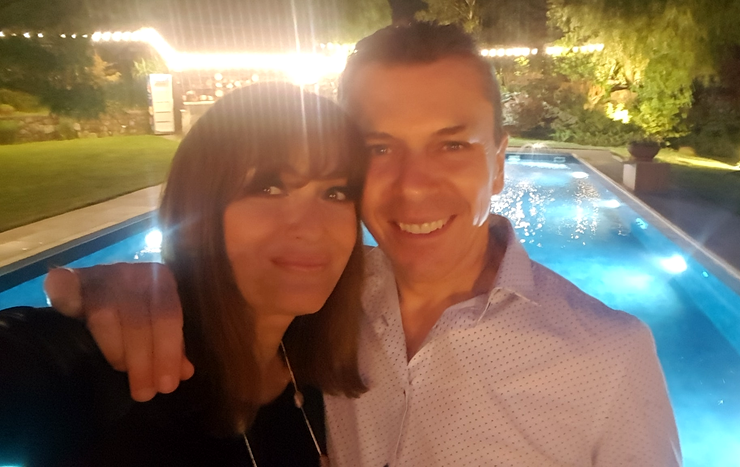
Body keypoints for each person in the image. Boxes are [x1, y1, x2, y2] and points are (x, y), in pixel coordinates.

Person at [44, 23, 682, 466]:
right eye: (379, 148)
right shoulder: (316, 300)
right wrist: (130, 283)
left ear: (497, 163)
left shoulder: (607, 357)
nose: (413, 186)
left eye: (452, 144)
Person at [0, 82, 368, 466]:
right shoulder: (103, 370)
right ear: (197, 216)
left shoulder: (317, 369)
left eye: (336, 192)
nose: (313, 228)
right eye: (270, 187)